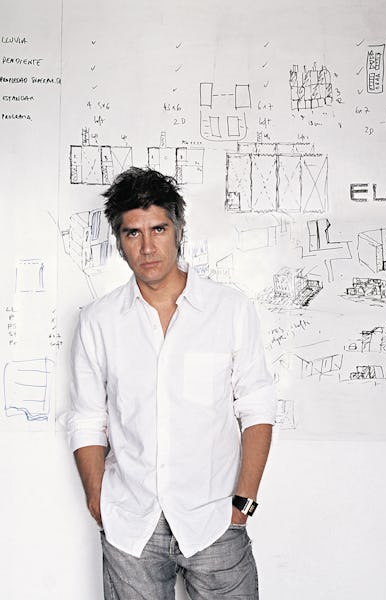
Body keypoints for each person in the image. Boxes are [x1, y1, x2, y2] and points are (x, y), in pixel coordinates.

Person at [67, 167, 276, 599]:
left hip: (215, 521)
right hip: (131, 528)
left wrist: (243, 503)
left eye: (158, 229)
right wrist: (98, 500)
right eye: (133, 233)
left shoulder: (229, 309)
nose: (147, 247)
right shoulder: (98, 322)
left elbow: (256, 405)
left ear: (179, 230)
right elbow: (87, 418)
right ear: (119, 241)